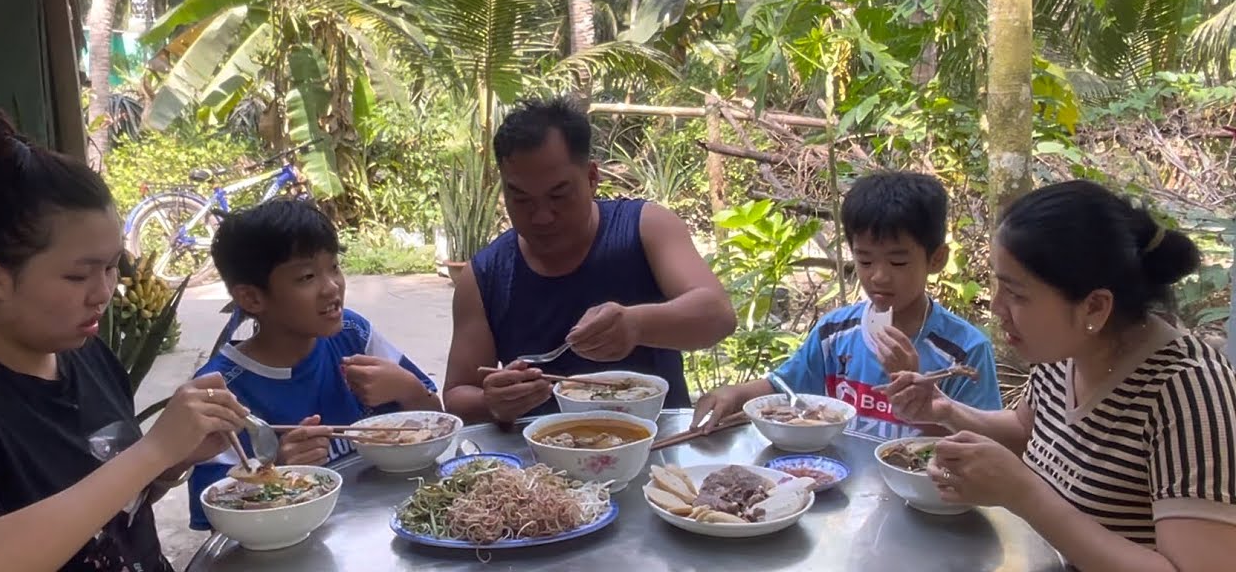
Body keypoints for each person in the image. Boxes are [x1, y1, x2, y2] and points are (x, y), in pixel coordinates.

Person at [886, 180, 1236, 571]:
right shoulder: (1061, 353)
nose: (997, 309)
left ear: (1094, 307)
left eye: (1017, 295)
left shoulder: (1188, 392)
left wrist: (1023, 494)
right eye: (999, 287)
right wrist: (945, 411)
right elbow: (1026, 429)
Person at [0, 105, 249, 571]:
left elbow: (112, 516)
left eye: (112, 267)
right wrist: (151, 450)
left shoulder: (89, 356)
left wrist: (171, 460)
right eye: (78, 276)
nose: (103, 293)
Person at [443, 98, 736, 423]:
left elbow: (718, 315)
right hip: (539, 465)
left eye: (558, 195)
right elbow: (457, 395)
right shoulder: (485, 276)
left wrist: (637, 326)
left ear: (592, 177)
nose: (541, 216)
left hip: (657, 453)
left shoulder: (646, 228)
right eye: (521, 198)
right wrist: (494, 402)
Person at [186, 199, 441, 531]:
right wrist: (276, 473)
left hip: (385, 522)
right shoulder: (219, 390)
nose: (332, 287)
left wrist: (409, 389)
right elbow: (210, 516)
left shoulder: (353, 333)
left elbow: (436, 416)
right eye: (307, 276)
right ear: (251, 298)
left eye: (334, 266)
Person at [692, 171, 1002, 440]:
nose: (879, 276)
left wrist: (915, 390)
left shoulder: (964, 351)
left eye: (898, 261)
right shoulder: (835, 334)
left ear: (936, 259)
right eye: (865, 260)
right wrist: (734, 394)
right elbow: (784, 389)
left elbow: (981, 445)